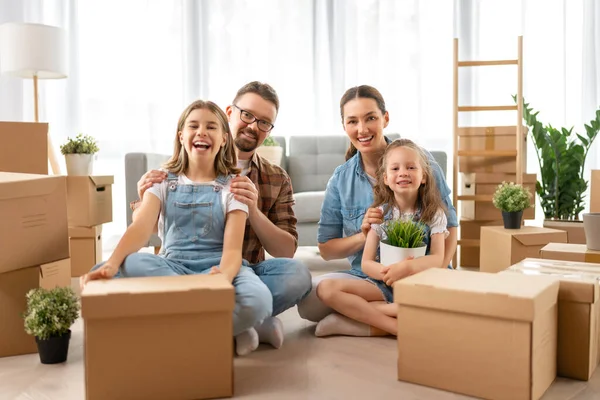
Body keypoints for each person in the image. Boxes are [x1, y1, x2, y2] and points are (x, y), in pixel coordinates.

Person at [80, 100, 274, 356]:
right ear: (181, 137)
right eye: (194, 125)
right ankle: (232, 329)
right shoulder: (161, 180)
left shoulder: (234, 185)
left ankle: (176, 324)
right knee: (131, 264)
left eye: (211, 127)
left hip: (218, 267)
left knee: (259, 300)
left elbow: (232, 250)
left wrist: (219, 283)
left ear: (224, 139)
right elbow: (140, 228)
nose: (202, 132)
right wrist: (111, 264)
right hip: (172, 265)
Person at [134, 82, 312, 354]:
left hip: (245, 271)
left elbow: (286, 250)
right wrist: (145, 200)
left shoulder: (276, 177)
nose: (254, 126)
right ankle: (244, 324)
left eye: (264, 122)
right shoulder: (176, 169)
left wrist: (253, 210)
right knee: (134, 268)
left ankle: (228, 318)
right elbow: (152, 234)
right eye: (248, 115)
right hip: (185, 271)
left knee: (297, 274)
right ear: (229, 112)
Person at [297, 85, 458, 335]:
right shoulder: (342, 180)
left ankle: (361, 321)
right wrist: (363, 234)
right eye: (353, 121)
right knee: (309, 304)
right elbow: (327, 250)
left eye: (370, 118)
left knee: (444, 297)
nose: (362, 129)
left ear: (385, 118)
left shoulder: (421, 161)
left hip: (423, 278)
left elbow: (450, 229)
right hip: (370, 278)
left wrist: (433, 275)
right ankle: (399, 320)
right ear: (344, 126)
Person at [315, 139, 448, 336]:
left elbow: (437, 258)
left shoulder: (434, 214)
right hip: (384, 283)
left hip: (419, 287)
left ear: (424, 177)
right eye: (395, 168)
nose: (403, 172)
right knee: (326, 289)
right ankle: (397, 328)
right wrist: (389, 274)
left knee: (448, 305)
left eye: (411, 167)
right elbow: (367, 262)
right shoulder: (379, 213)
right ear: (385, 178)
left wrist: (408, 268)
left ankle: (359, 317)